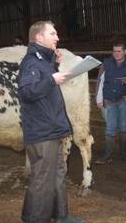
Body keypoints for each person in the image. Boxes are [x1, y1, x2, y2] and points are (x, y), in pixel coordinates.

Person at [18, 21, 84, 223]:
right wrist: (51, 79)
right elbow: (27, 92)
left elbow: (42, 88)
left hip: (51, 129)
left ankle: (61, 215)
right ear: (38, 37)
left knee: (57, 173)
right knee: (43, 179)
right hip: (41, 132)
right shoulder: (30, 62)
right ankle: (35, 220)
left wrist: (53, 66)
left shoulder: (43, 62)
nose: (57, 37)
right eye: (52, 33)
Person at [95, 42, 126, 164]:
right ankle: (107, 155)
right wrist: (98, 98)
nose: (116, 54)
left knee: (123, 126)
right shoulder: (106, 63)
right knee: (110, 128)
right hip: (109, 99)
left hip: (123, 100)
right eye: (114, 51)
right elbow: (100, 81)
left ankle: (123, 153)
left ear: (125, 52)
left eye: (119, 51)